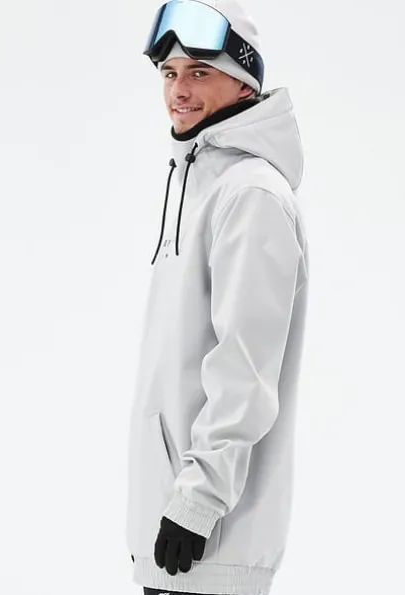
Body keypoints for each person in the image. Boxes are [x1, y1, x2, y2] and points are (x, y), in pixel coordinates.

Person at [125, 1, 310, 594]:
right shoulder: (199, 180)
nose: (178, 90)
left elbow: (245, 366)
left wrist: (198, 502)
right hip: (174, 530)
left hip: (210, 538)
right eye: (169, 73)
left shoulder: (250, 194)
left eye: (199, 72)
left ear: (244, 83)